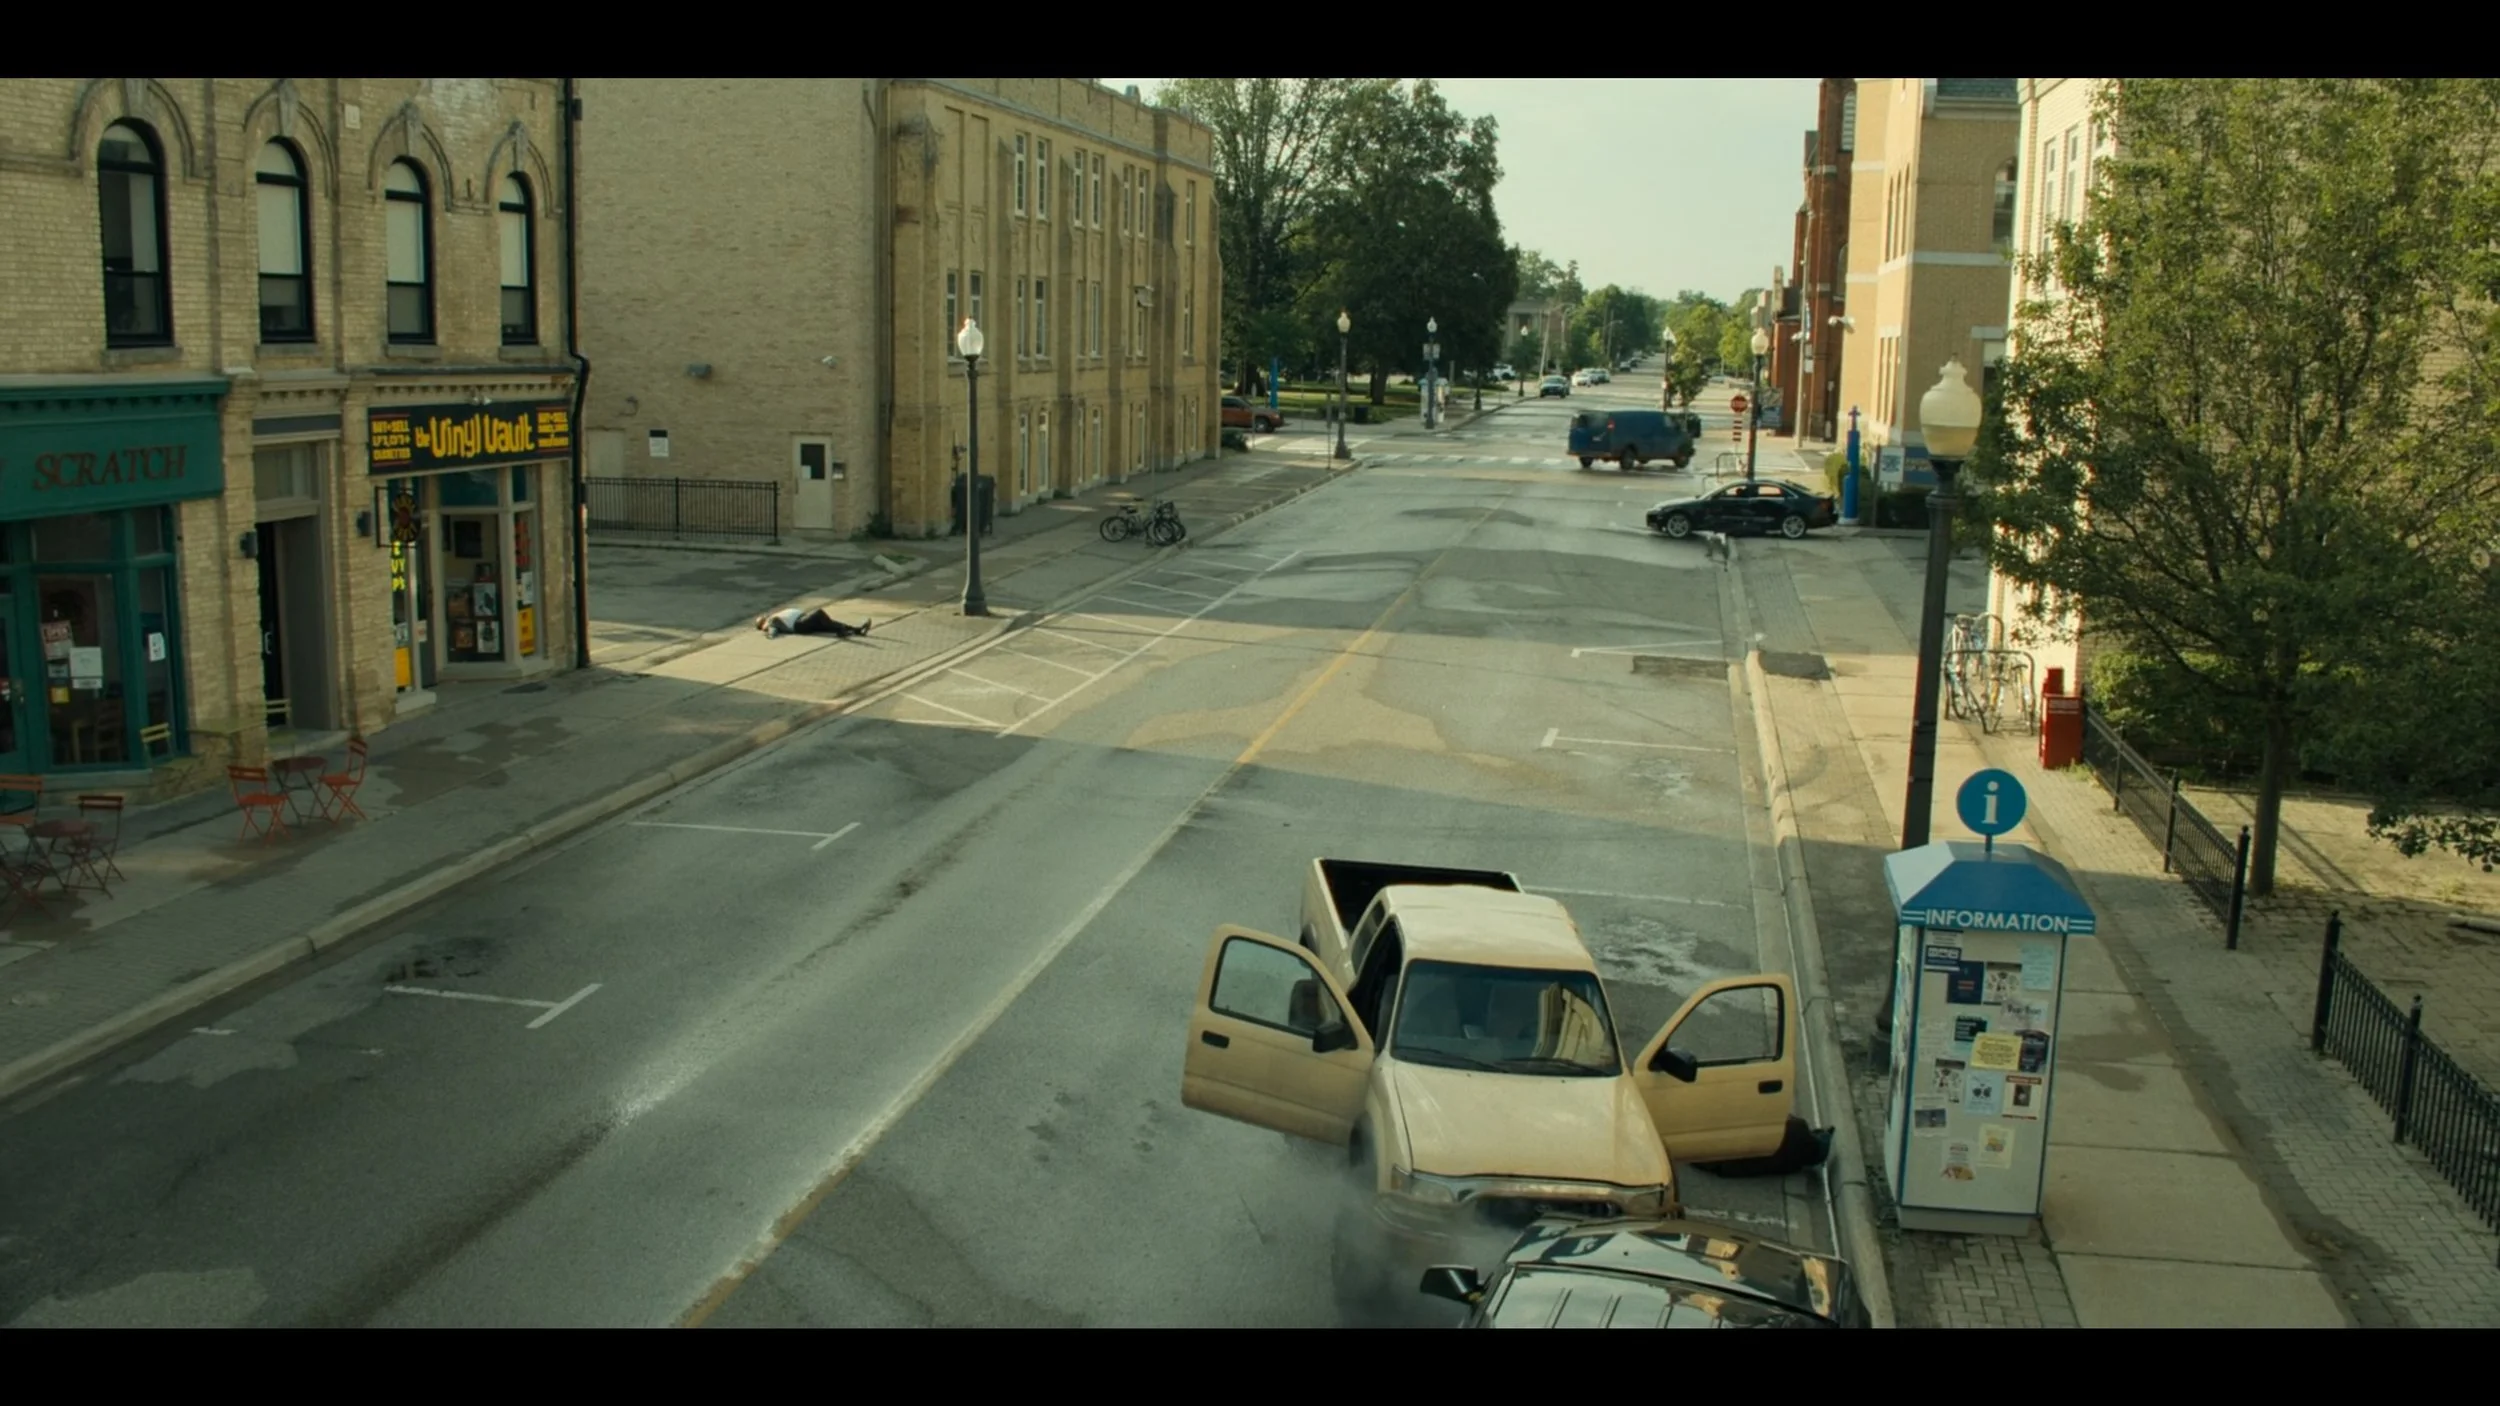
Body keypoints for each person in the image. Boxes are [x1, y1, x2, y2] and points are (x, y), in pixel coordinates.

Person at [757, 607, 870, 639]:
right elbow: (772, 629)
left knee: (828, 623)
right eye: (762, 618)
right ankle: (841, 631)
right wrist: (770, 635)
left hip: (803, 621)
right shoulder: (771, 621)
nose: (765, 616)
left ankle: (856, 630)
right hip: (799, 625)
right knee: (819, 613)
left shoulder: (774, 617)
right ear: (762, 622)